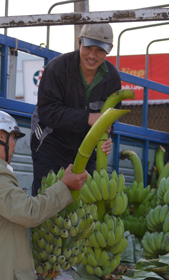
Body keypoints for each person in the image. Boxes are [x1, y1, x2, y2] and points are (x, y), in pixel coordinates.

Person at [0, 109, 88, 280]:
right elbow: (29, 213)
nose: (14, 145)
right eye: (13, 138)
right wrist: (64, 186)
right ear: (1, 135)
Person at [30, 23, 121, 196]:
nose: (92, 56)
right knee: (47, 199)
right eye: (88, 48)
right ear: (79, 42)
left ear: (109, 49)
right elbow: (48, 112)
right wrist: (87, 118)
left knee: (84, 203)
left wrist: (107, 137)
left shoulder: (112, 78)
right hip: (50, 144)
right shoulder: (57, 68)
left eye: (100, 50)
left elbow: (109, 118)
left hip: (85, 148)